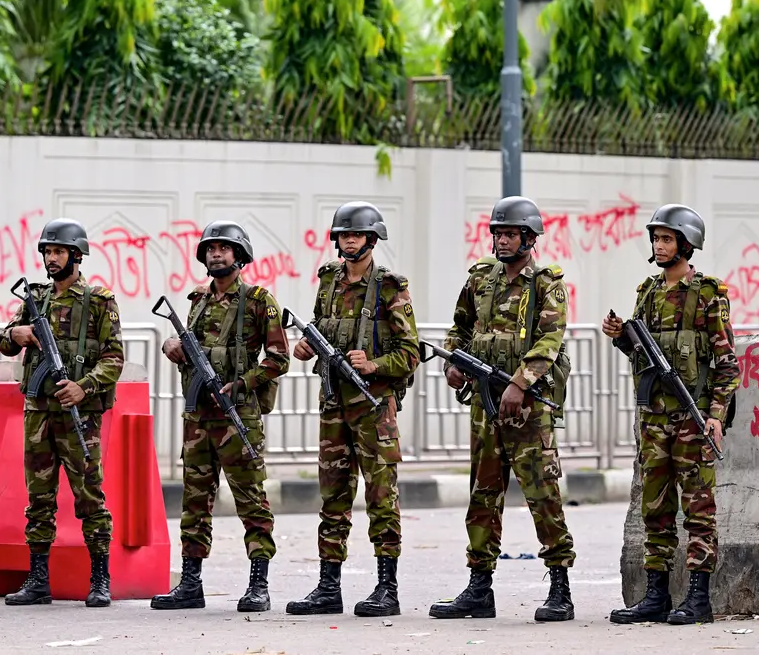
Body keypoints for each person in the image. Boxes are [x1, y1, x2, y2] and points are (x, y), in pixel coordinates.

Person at [428, 196, 576, 623]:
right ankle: (479, 587)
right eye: (497, 233)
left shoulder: (546, 284)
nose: (502, 240)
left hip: (528, 409)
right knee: (483, 495)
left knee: (542, 495)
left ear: (529, 237)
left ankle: (560, 587)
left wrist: (519, 382)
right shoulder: (481, 280)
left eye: (510, 233)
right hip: (485, 406)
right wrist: (453, 363)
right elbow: (459, 328)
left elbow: (550, 340)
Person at [602, 203, 740, 626]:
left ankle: (699, 599)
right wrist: (621, 337)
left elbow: (727, 364)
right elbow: (641, 354)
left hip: (690, 417)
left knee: (698, 509)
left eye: (666, 239)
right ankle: (656, 595)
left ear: (686, 244)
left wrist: (715, 414)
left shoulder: (708, 294)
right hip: (654, 421)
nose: (659, 246)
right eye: (656, 239)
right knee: (655, 508)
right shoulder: (647, 292)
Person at [285, 201, 420, 618]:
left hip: (373, 410)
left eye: (355, 235)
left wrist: (375, 365)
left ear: (372, 239)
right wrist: (307, 347)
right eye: (343, 234)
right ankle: (329, 586)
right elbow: (319, 327)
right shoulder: (328, 280)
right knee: (333, 498)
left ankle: (387, 587)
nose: (347, 241)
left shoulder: (390, 287)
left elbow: (411, 353)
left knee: (382, 498)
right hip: (333, 408)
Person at [149, 221, 290, 613]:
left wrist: (243, 383)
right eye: (210, 248)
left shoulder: (260, 301)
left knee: (251, 501)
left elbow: (279, 359)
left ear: (239, 256)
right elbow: (183, 344)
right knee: (194, 501)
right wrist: (171, 344)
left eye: (224, 248)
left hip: (237, 415)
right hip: (197, 418)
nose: (216, 253)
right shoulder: (198, 301)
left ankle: (258, 583)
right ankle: (191, 583)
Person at [0, 217, 125, 608]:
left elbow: (114, 359)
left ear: (76, 255)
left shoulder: (99, 301)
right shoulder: (36, 298)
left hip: (79, 415)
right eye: (47, 252)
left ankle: (100, 579)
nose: (51, 259)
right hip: (38, 411)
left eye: (58, 251)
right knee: (39, 498)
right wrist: (14, 335)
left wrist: (82, 387)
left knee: (90, 496)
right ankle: (37, 580)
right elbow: (4, 343)